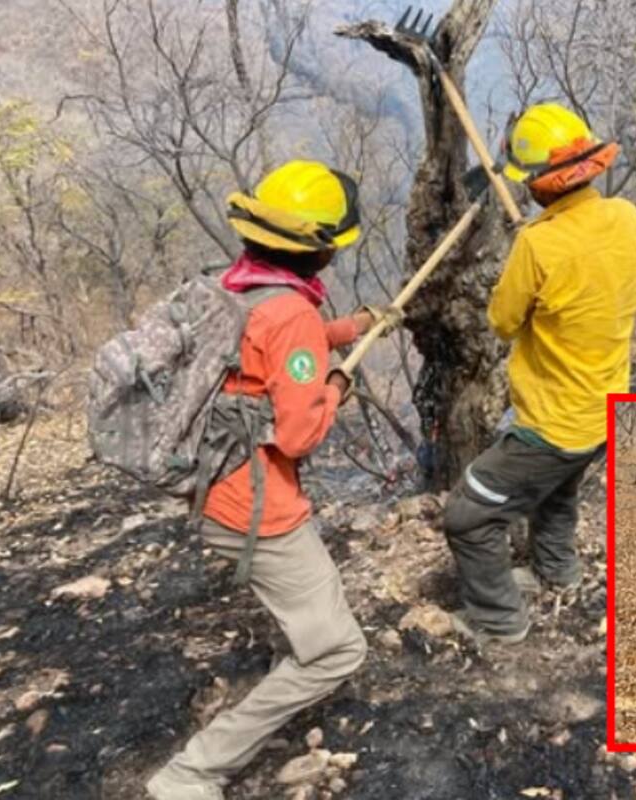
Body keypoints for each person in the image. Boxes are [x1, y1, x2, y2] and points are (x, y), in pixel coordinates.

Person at [148, 160, 378, 800]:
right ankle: (192, 772)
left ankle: (292, 641)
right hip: (258, 507)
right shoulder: (291, 317)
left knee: (311, 619)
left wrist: (347, 330)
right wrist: (334, 384)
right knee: (337, 651)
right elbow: (300, 432)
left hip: (211, 486)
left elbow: (262, 347)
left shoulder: (232, 286)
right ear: (320, 249)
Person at [442, 102, 636, 644]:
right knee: (557, 490)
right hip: (605, 409)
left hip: (553, 422)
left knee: (468, 514)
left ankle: (499, 620)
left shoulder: (537, 245)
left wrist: (530, 252)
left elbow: (503, 321)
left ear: (539, 184)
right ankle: (556, 571)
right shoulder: (627, 218)